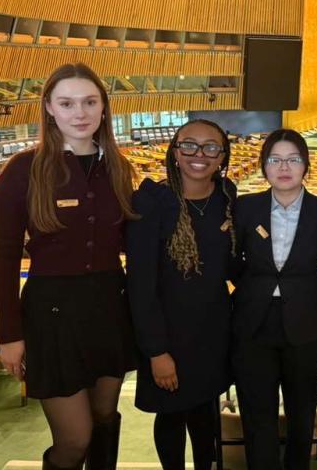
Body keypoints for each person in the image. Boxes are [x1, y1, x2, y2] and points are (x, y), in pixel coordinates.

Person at [0, 63, 138, 470]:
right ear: (49, 109)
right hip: (51, 315)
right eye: (68, 103)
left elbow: (132, 243)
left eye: (90, 102)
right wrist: (9, 334)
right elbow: (3, 256)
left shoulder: (119, 169)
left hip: (110, 306)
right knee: (74, 440)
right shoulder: (23, 170)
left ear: (104, 108)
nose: (80, 112)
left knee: (106, 417)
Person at [126, 119, 236, 470]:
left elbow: (233, 266)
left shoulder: (226, 197)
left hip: (211, 334)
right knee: (171, 416)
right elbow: (140, 285)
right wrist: (156, 351)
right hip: (168, 336)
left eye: (210, 147)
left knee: (205, 416)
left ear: (222, 157)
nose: (198, 155)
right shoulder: (152, 202)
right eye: (189, 145)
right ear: (175, 152)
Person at [231, 129, 317, 470]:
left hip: (305, 322)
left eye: (293, 159)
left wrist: (311, 287)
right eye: (275, 159)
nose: (283, 167)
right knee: (258, 415)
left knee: (302, 415)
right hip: (253, 322)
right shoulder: (245, 207)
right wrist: (253, 287)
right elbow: (231, 260)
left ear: (305, 166)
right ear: (263, 166)